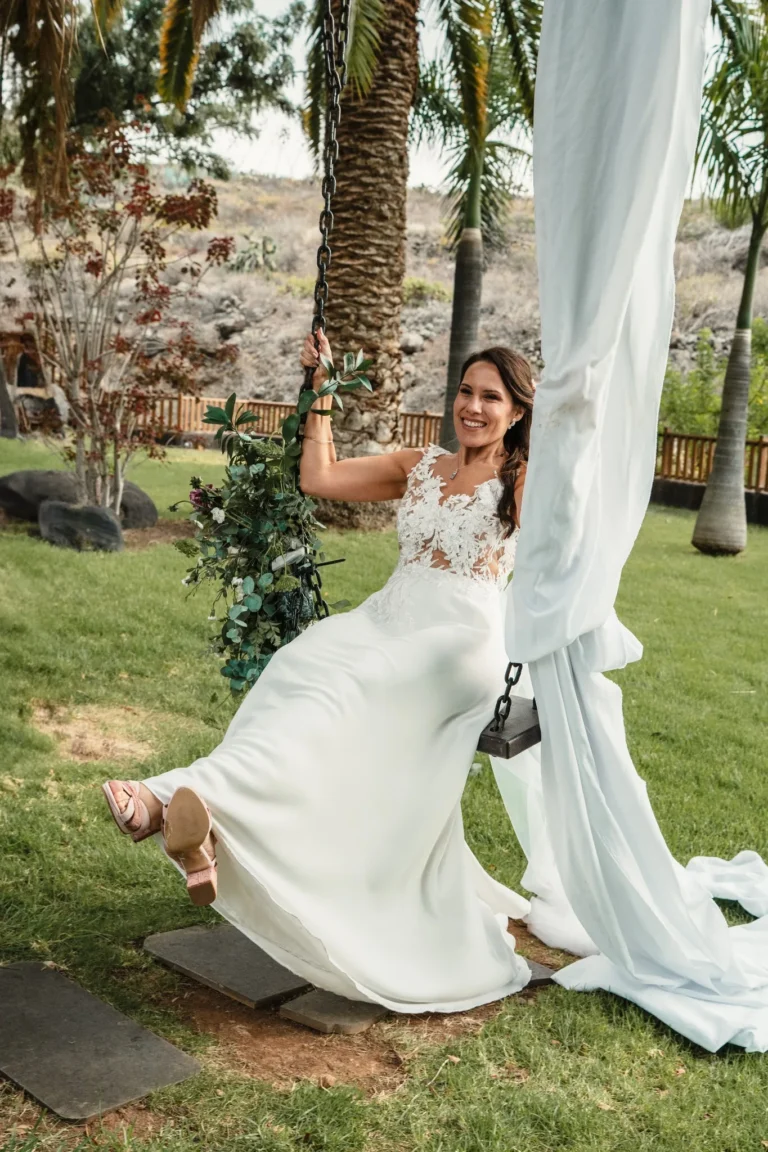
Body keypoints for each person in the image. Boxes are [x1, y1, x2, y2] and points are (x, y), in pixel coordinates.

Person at [102, 333, 538, 1012]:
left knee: (347, 688)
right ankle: (207, 827)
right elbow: (320, 478)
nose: (473, 407)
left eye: (491, 397)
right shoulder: (420, 465)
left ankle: (167, 798)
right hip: (388, 619)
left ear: (517, 412)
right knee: (299, 666)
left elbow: (567, 547)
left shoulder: (526, 480)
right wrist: (321, 393)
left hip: (461, 644)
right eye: (465, 391)